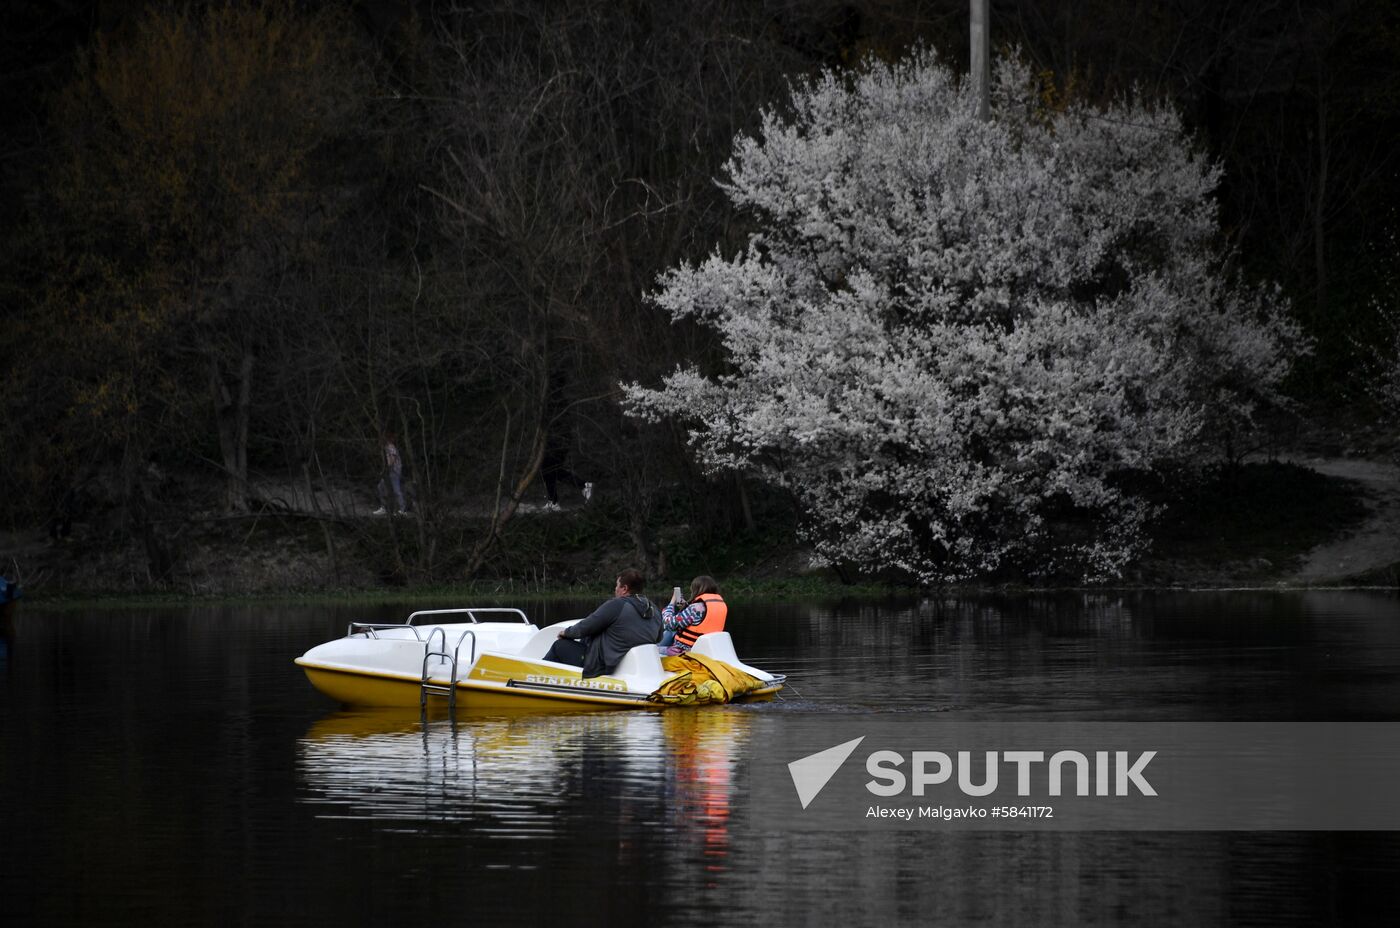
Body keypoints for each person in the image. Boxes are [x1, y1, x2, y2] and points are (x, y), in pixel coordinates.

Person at [544, 568, 661, 678]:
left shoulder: (617, 605)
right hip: (630, 666)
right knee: (588, 639)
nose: (615, 589)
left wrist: (566, 632)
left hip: (602, 665)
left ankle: (538, 679)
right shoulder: (654, 610)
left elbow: (585, 627)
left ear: (624, 589)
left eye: (617, 585)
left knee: (560, 646)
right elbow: (659, 637)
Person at [660, 575, 727, 656]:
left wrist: (672, 602)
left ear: (696, 589)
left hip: (685, 651)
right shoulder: (721, 605)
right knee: (673, 631)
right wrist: (685, 606)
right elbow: (700, 618)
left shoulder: (694, 609)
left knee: (667, 634)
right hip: (707, 648)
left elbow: (668, 624)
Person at [372, 432, 406, 515]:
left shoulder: (390, 447)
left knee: (396, 490)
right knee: (381, 487)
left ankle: (402, 510)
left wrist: (386, 469)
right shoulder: (386, 448)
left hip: (394, 472)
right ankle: (384, 508)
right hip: (389, 472)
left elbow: (392, 460)